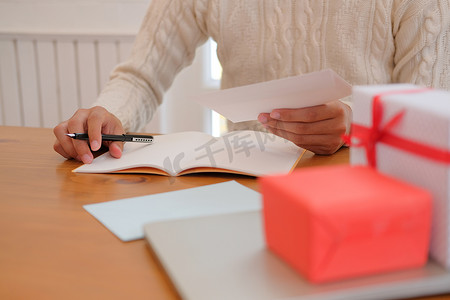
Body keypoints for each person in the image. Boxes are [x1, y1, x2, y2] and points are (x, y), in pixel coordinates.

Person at [53, 0, 450, 164]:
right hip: (244, 181)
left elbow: (430, 115)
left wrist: (354, 123)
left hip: (366, 187)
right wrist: (107, 120)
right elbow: (141, 75)